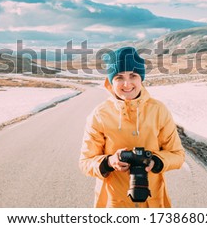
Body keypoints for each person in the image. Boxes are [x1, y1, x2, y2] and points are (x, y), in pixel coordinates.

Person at [79, 46, 185, 208]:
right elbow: (85, 162)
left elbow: (177, 155)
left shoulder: (158, 110)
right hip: (113, 203)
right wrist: (109, 162)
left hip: (153, 201)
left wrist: (156, 161)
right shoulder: (99, 115)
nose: (127, 84)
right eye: (119, 77)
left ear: (141, 79)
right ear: (111, 81)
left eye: (133, 75)